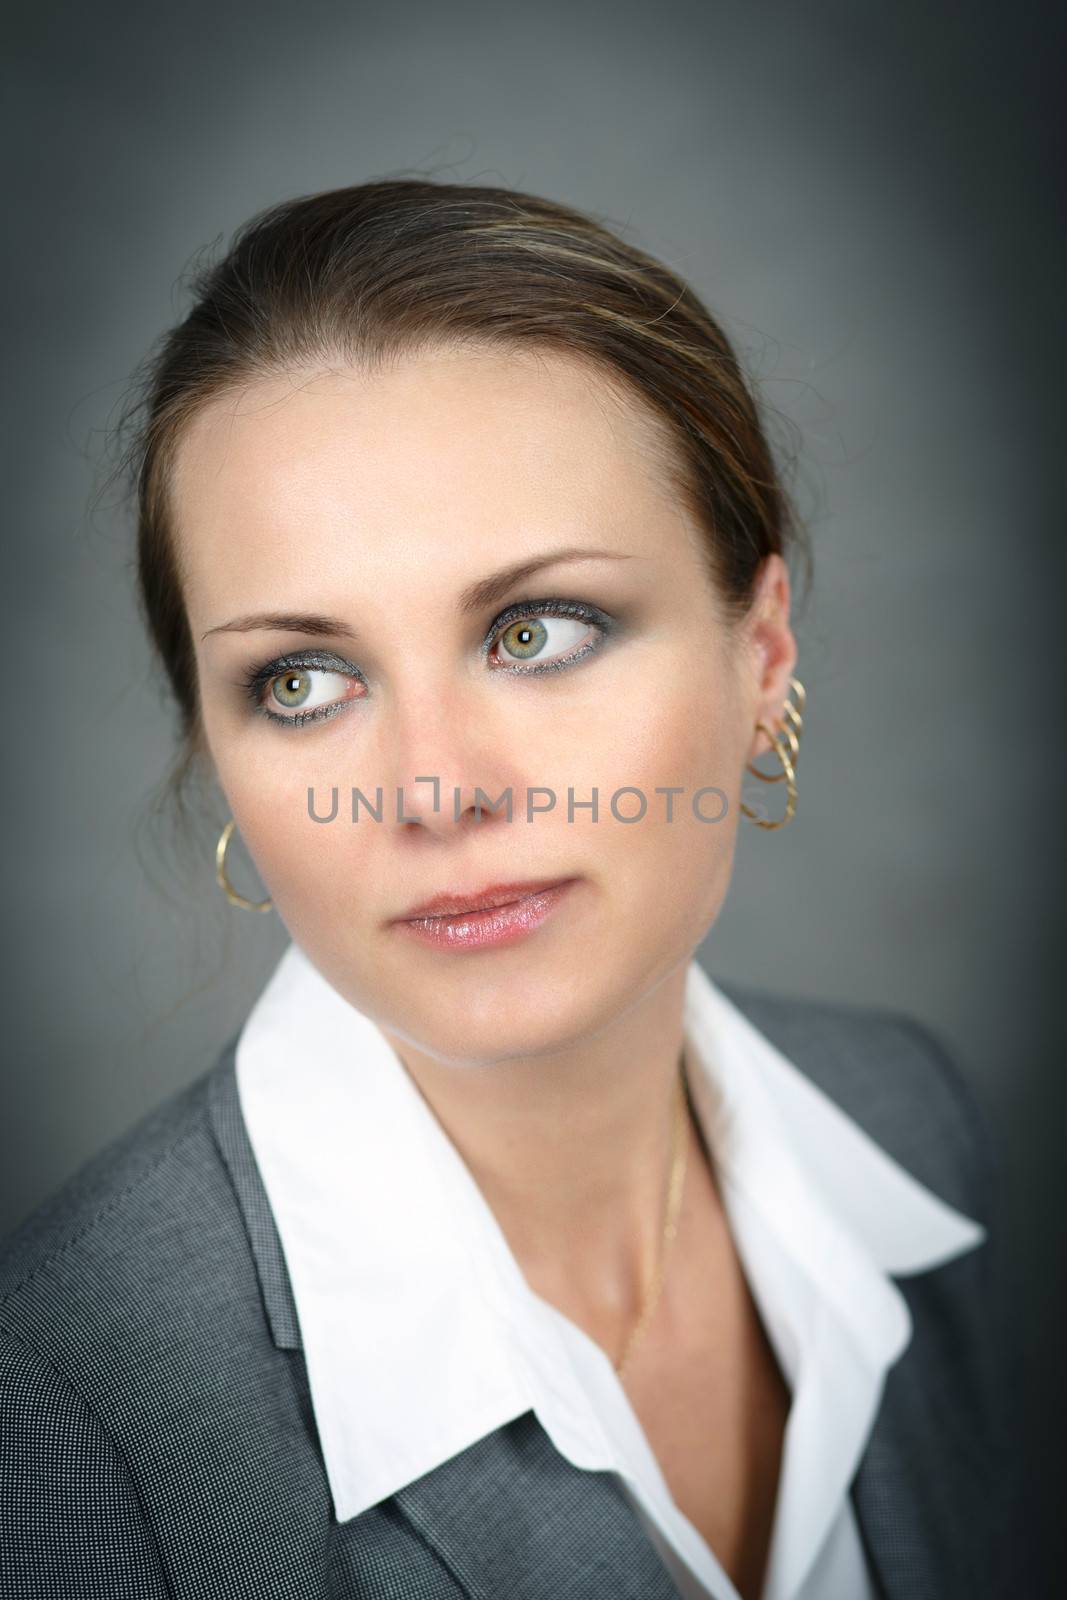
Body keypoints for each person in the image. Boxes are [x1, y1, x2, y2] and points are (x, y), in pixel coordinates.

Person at [0, 180, 1023, 1600]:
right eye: (303, 681)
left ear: (764, 651)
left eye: (539, 630)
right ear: (217, 753)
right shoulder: (53, 1430)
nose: (436, 789)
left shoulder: (919, 1120)